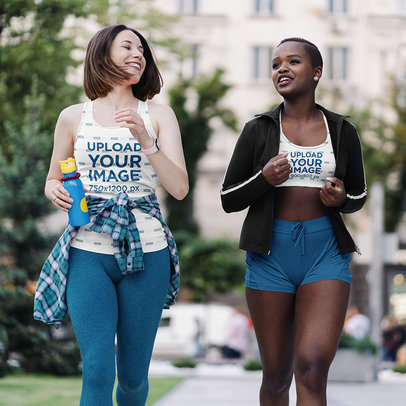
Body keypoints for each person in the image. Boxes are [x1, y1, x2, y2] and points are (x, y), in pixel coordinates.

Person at [34, 25, 188, 405]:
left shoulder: (159, 115)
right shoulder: (73, 116)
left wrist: (146, 140)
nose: (139, 54)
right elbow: (54, 178)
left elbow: (180, 188)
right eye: (128, 46)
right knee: (98, 372)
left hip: (146, 253)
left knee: (133, 379)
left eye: (142, 50)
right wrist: (53, 188)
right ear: (102, 53)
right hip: (88, 251)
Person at [221, 38, 366, 405]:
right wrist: (263, 179)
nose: (281, 69)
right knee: (276, 376)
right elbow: (227, 198)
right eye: (275, 64)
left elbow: (359, 195)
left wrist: (341, 199)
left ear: (316, 72)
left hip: (325, 253)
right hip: (270, 255)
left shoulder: (342, 131)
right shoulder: (258, 129)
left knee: (313, 366)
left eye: (293, 62)